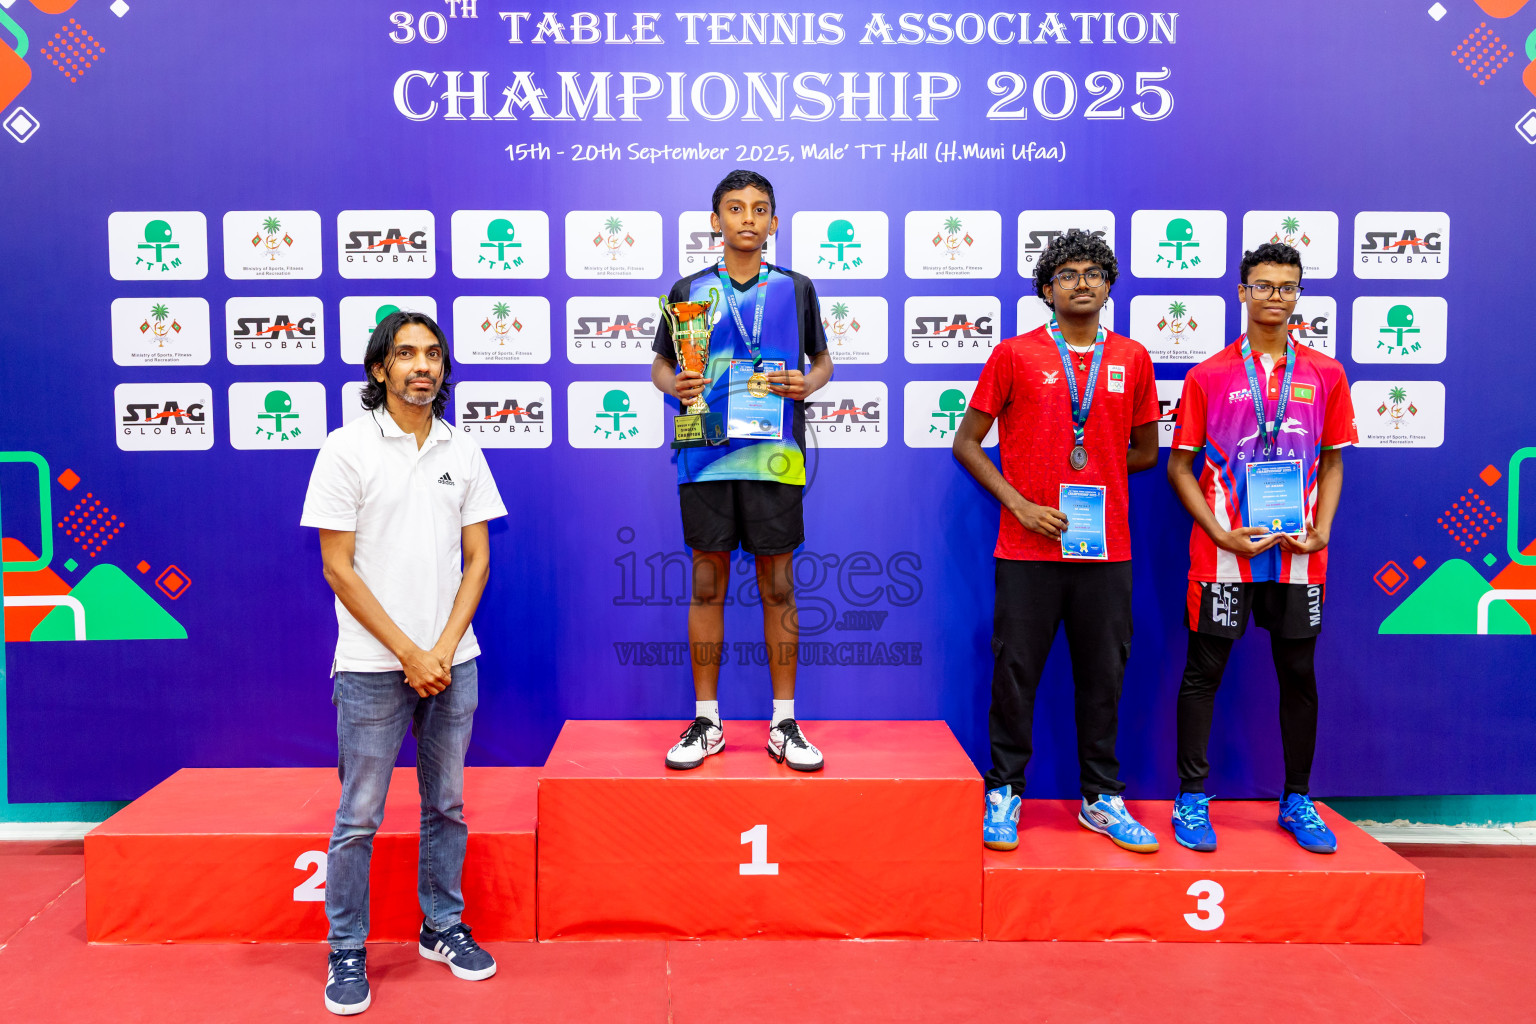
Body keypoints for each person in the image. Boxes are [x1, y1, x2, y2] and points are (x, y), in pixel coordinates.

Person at [301, 310, 508, 1015]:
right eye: (406, 354)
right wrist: (409, 652)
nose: (422, 365)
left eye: (432, 355)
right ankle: (346, 950)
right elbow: (338, 567)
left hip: (454, 662)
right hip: (370, 666)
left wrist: (443, 648)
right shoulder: (344, 449)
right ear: (379, 368)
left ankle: (441, 927)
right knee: (358, 815)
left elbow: (478, 559)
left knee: (445, 805)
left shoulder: (463, 449)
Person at [952, 229, 1162, 853]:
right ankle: (1005, 791)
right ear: (1047, 290)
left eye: (1094, 272)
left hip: (1106, 549)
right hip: (1026, 547)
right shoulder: (1013, 355)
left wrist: (1090, 486)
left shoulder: (1133, 357)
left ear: (1109, 286)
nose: (1082, 282)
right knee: (1015, 674)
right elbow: (966, 442)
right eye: (1067, 274)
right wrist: (1020, 501)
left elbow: (1147, 452)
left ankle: (1101, 798)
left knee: (1104, 675)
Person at [1166, 241, 1357, 854]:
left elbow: (1332, 463)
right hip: (1225, 550)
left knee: (1298, 673)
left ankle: (1297, 799)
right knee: (1205, 673)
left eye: (1286, 287)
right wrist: (1218, 532)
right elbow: (1179, 466)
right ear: (1243, 292)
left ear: (1297, 294)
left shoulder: (1326, 373)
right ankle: (1192, 798)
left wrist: (1323, 525)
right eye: (1264, 285)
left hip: (1300, 555)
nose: (1275, 296)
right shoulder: (1208, 375)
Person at [649, 168, 834, 772]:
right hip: (703, 455)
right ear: (716, 221)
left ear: (773, 223)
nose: (747, 218)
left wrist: (808, 382)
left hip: (775, 455)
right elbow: (660, 367)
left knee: (778, 586)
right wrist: (672, 383)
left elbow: (822, 361)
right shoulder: (688, 290)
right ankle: (708, 719)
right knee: (708, 584)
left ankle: (784, 723)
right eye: (735, 207)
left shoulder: (796, 288)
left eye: (759, 209)